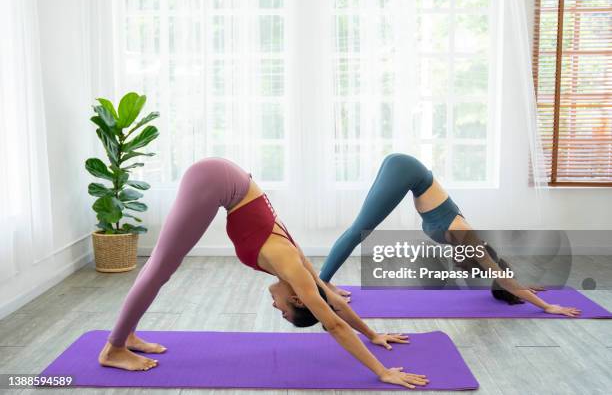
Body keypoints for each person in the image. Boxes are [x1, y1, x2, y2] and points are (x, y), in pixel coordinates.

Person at [98, 157, 428, 390]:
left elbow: (333, 301)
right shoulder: (292, 268)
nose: (275, 308)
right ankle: (113, 349)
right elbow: (334, 323)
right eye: (285, 311)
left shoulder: (300, 266)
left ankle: (126, 335)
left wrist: (372, 335)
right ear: (298, 298)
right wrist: (381, 371)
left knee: (162, 268)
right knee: (160, 267)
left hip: (225, 178)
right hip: (216, 180)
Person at [319, 153, 581, 318]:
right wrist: (547, 306)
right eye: (468, 268)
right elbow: (499, 273)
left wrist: (519, 285)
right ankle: (321, 285)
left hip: (403, 168)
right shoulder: (466, 237)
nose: (461, 269)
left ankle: (323, 282)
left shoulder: (468, 244)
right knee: (359, 230)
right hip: (407, 170)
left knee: (360, 229)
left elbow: (500, 273)